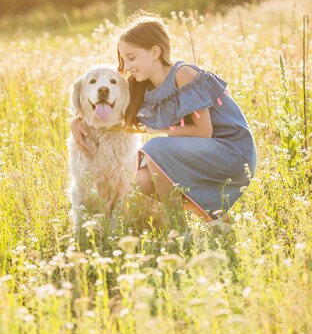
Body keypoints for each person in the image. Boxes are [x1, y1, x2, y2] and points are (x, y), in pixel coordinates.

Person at [71, 12, 257, 222]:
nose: (126, 66)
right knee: (142, 178)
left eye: (131, 57)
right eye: (123, 59)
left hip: (232, 151)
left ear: (155, 51)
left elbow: (205, 132)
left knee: (155, 149)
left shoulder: (183, 74)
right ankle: (214, 217)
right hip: (204, 152)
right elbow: (118, 118)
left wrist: (159, 130)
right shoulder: (143, 87)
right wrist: (77, 121)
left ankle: (179, 227)